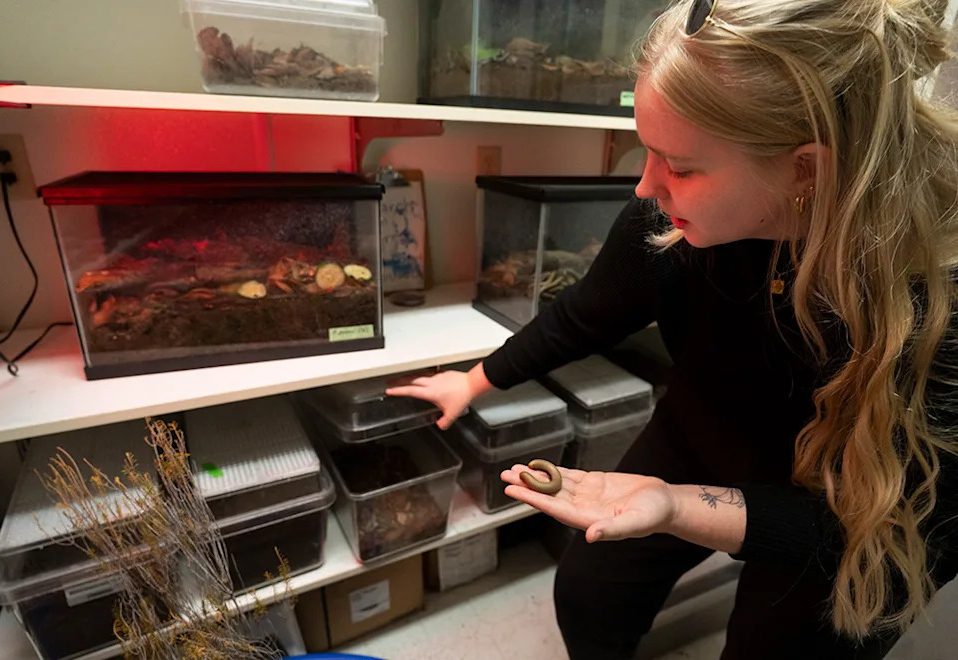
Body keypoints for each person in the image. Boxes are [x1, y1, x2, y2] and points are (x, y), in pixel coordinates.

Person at [386, 0, 958, 657]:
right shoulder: (670, 224)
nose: (644, 187)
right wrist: (477, 380)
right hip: (702, 431)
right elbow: (587, 311)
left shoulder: (933, 296)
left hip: (853, 506)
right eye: (645, 150)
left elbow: (908, 530)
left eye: (680, 166)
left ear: (805, 170)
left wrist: (681, 507)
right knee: (588, 587)